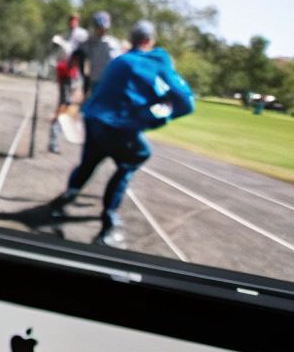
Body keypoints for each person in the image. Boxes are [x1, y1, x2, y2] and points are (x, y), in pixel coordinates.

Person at [42, 21, 193, 248]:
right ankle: (108, 224)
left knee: (89, 162)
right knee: (135, 158)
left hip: (94, 121)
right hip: (119, 127)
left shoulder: (119, 61)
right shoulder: (157, 60)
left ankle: (65, 199)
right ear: (148, 41)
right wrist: (159, 117)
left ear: (132, 40)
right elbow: (185, 101)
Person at [46, 13, 89, 154]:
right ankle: (54, 141)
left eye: (75, 20)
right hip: (66, 76)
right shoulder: (65, 38)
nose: (73, 23)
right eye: (71, 20)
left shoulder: (81, 35)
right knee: (63, 107)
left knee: (74, 108)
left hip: (76, 77)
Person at [77, 10, 126, 94]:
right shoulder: (88, 43)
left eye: (104, 28)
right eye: (99, 27)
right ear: (95, 26)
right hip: (95, 81)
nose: (102, 30)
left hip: (109, 81)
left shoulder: (113, 43)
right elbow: (81, 55)